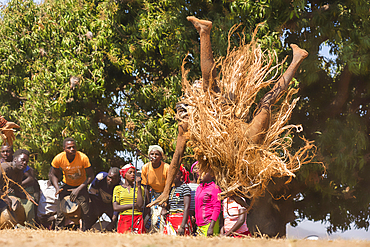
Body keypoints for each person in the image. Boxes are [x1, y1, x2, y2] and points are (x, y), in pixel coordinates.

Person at [149, 16, 309, 207]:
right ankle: (204, 32)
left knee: (266, 101)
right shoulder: (188, 125)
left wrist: (167, 191)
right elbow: (175, 161)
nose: (198, 89)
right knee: (266, 101)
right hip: (244, 148)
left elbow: (176, 160)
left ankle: (297, 58)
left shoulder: (214, 108)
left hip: (243, 140)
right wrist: (166, 191)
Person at [49, 137, 94, 230]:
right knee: (61, 211)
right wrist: (57, 187)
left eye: (73, 147)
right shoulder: (59, 158)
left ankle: (86, 231)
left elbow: (91, 176)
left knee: (85, 211)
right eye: (69, 147)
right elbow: (52, 174)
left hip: (80, 186)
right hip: (67, 185)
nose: (72, 149)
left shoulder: (83, 157)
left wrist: (78, 189)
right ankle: (58, 231)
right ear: (64, 149)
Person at [0, 149, 38, 224]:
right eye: (23, 160)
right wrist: (5, 197)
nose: (24, 163)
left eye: (26, 162)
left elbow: (17, 191)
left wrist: (27, 196)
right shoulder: (3, 168)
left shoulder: (19, 173)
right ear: (15, 159)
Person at [141, 145, 169, 232]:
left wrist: (165, 204)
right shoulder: (146, 167)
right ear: (149, 156)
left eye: (157, 154)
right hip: (152, 194)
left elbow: (169, 187)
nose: (154, 156)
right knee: (151, 217)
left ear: (161, 156)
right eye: (152, 154)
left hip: (165, 193)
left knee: (161, 217)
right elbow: (145, 187)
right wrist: (148, 203)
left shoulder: (166, 168)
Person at [112, 164, 144, 234]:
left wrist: (138, 186)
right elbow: (116, 207)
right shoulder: (117, 188)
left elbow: (140, 205)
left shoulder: (140, 188)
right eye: (130, 172)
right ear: (124, 175)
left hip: (137, 218)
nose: (133, 174)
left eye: (134, 173)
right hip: (124, 218)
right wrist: (133, 205)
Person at [162, 166, 191, 235]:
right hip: (170, 218)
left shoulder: (185, 187)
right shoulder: (171, 189)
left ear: (181, 176)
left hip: (180, 219)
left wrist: (182, 226)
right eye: (172, 174)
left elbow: (186, 207)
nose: (174, 175)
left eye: (177, 174)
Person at [195, 169, 221, 236]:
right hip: (199, 225)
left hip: (209, 224)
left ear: (212, 175)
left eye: (204, 172)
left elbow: (217, 208)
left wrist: (211, 227)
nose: (201, 173)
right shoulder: (199, 188)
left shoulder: (214, 188)